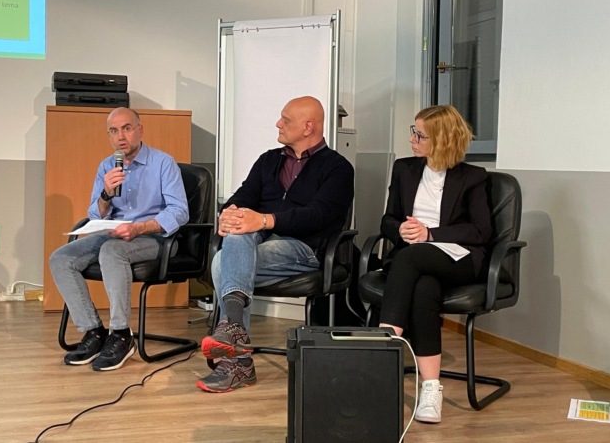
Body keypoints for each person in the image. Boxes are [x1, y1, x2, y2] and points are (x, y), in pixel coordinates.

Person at [196, 95, 355, 393]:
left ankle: (237, 359)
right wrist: (228, 213)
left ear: (308, 127)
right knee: (236, 235)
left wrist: (265, 220)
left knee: (222, 261)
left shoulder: (338, 168)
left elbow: (319, 215)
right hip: (258, 245)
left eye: (286, 119)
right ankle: (235, 334)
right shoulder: (269, 160)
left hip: (303, 248)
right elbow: (243, 195)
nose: (278, 124)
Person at [49, 107, 189, 372]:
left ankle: (122, 334)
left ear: (140, 130)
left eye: (126, 128)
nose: (120, 137)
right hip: (113, 234)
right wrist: (106, 193)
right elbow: (95, 214)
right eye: (113, 131)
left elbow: (179, 211)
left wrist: (139, 228)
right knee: (61, 258)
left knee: (112, 251)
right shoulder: (107, 165)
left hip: (154, 237)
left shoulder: (163, 163)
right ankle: (94, 331)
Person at [377, 105, 492, 423]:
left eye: (420, 135)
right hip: (417, 262)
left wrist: (430, 234)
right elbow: (388, 219)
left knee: (410, 255)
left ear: (442, 140)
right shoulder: (404, 169)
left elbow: (481, 231)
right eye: (413, 132)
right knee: (424, 288)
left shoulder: (472, 177)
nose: (412, 139)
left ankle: (384, 343)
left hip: (457, 257)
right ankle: (431, 388)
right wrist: (400, 229)